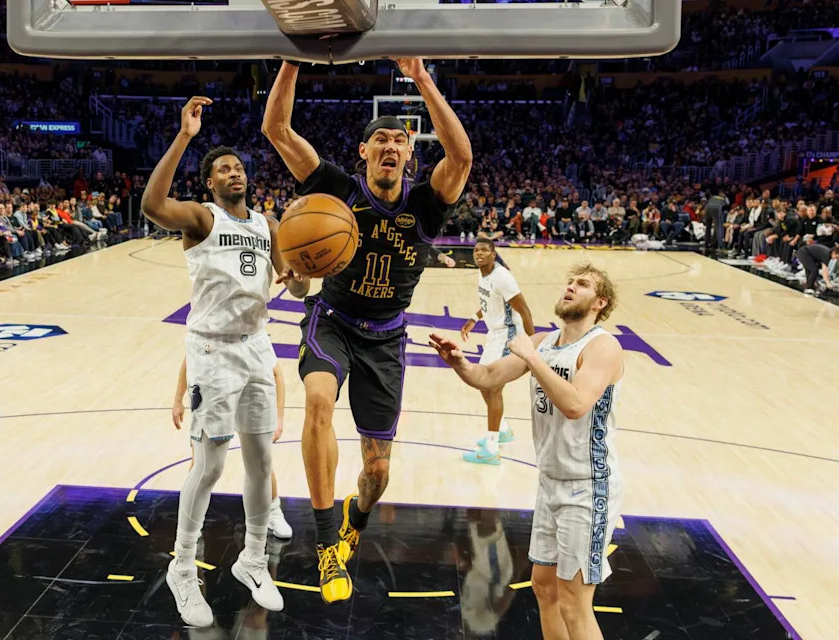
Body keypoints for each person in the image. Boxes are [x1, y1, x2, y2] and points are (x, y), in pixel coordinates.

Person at [261, 57, 472, 603]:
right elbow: (276, 130)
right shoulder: (334, 188)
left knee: (377, 471)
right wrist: (291, 59)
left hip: (386, 336)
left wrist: (422, 77)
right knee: (317, 404)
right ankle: (327, 543)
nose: (388, 146)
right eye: (378, 138)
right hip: (332, 321)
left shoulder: (426, 205)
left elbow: (462, 156)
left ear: (408, 152)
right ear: (363, 152)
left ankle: (356, 516)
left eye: (398, 140)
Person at [141, 96, 309, 626]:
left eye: (238, 167)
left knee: (261, 462)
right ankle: (183, 568)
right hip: (212, 349)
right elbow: (151, 204)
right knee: (210, 466)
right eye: (223, 170)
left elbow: (297, 286)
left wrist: (303, 275)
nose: (234, 173)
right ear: (209, 183)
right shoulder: (200, 218)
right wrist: (186, 136)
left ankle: (253, 560)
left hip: (257, 345)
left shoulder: (268, 224)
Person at [430, 262, 623, 640]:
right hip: (551, 483)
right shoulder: (542, 343)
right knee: (544, 589)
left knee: (574, 603)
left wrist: (534, 361)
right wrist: (460, 363)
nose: (570, 286)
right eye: (569, 280)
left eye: (581, 284)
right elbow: (487, 377)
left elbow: (577, 404)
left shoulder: (604, 346)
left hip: (590, 487)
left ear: (600, 302)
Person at [171, 356, 293, 539]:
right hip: (213, 397)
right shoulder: (207, 335)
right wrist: (178, 400)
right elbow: (188, 359)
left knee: (260, 460)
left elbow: (277, 374)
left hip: (248, 398)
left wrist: (279, 417)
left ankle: (273, 511)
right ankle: (192, 525)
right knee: (201, 463)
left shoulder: (250, 336)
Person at [459, 238, 534, 465]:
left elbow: (524, 309)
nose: (479, 253)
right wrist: (474, 319)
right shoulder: (482, 274)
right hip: (494, 335)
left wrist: (532, 345)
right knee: (483, 383)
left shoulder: (503, 277)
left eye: (484, 250)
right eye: (476, 250)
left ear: (493, 254)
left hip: (508, 335)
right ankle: (502, 430)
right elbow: (488, 302)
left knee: (491, 387)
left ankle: (492, 448)